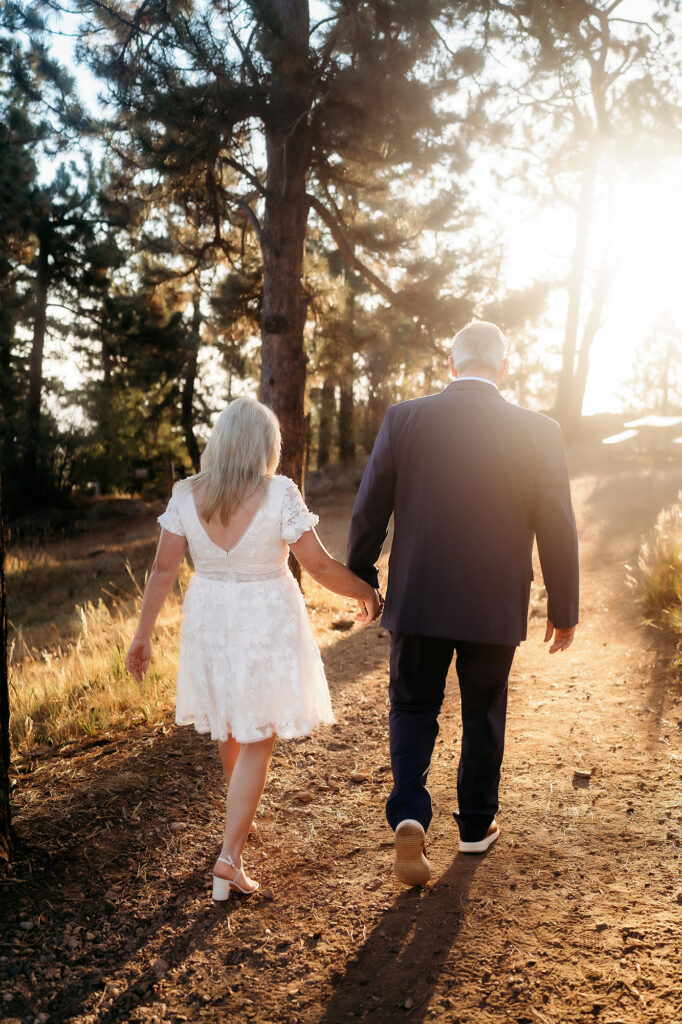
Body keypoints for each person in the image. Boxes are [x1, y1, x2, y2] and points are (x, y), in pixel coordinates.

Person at [346, 321, 579, 885]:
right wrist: (563, 606)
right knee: (483, 710)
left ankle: (408, 811)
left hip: (419, 595)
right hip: (493, 601)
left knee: (412, 704)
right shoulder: (539, 431)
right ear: (504, 368)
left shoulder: (404, 419)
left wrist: (362, 580)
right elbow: (558, 524)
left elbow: (370, 505)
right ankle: (475, 826)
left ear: (452, 365)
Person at [126, 397, 381, 900]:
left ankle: (238, 822)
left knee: (230, 722)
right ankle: (229, 858)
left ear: (220, 440)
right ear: (266, 446)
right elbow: (321, 567)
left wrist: (142, 634)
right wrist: (366, 592)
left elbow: (162, 570)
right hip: (264, 616)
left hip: (210, 618)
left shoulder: (186, 494)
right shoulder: (279, 492)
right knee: (258, 732)